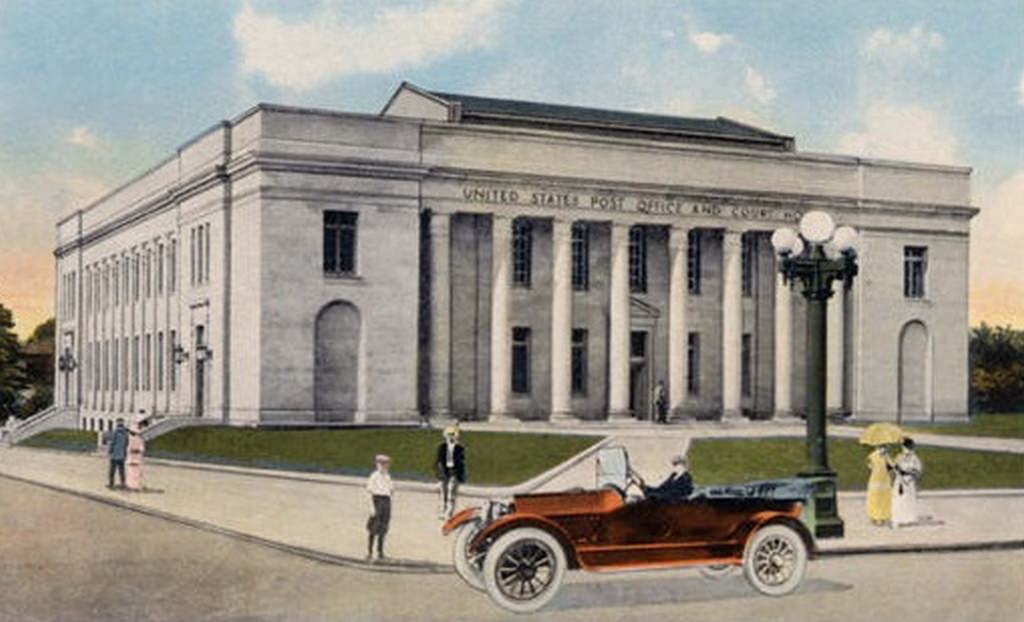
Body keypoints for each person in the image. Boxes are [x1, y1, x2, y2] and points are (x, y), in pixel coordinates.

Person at [365, 454, 394, 562]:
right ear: (377, 464)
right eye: (381, 464)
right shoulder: (374, 476)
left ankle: (380, 552)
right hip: (377, 500)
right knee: (373, 528)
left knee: (383, 528)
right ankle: (369, 551)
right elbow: (369, 492)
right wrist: (372, 507)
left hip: (386, 501)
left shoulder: (388, 476)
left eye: (385, 464)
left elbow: (391, 490)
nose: (383, 466)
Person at [435, 425, 466, 519]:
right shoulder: (442, 446)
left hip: (454, 471)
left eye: (452, 434)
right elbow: (439, 461)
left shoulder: (460, 448)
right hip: (444, 471)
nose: (450, 436)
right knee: (443, 492)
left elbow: (462, 463)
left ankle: (449, 512)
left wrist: (460, 476)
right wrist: (439, 473)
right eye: (449, 434)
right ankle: (442, 510)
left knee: (451, 492)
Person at [891, 438, 923, 528]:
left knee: (909, 499)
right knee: (899, 499)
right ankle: (897, 519)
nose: (906, 449)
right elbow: (894, 468)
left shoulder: (914, 458)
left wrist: (911, 472)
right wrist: (897, 470)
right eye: (905, 446)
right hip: (900, 480)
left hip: (909, 481)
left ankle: (908, 518)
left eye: (908, 447)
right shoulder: (899, 457)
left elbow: (918, 471)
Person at [865, 445, 892, 526]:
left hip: (884, 480)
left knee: (884, 499)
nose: (884, 449)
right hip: (876, 480)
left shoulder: (886, 456)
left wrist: (887, 459)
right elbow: (870, 465)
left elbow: (890, 467)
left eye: (885, 447)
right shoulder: (872, 456)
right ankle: (875, 517)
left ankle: (883, 517)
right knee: (875, 499)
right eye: (883, 447)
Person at [106, 418, 129, 489]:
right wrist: (124, 453)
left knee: (112, 471)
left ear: (117, 424)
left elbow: (112, 443)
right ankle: (123, 483)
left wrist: (110, 451)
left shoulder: (115, 432)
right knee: (121, 471)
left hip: (114, 455)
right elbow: (127, 444)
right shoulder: (125, 433)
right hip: (122, 455)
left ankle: (111, 484)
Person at [125, 420, 146, 492]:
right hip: (132, 458)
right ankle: (131, 485)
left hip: (136, 458)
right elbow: (128, 448)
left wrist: (137, 450)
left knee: (137, 472)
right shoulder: (130, 438)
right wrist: (134, 450)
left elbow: (141, 448)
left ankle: (136, 485)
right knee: (131, 472)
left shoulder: (139, 438)